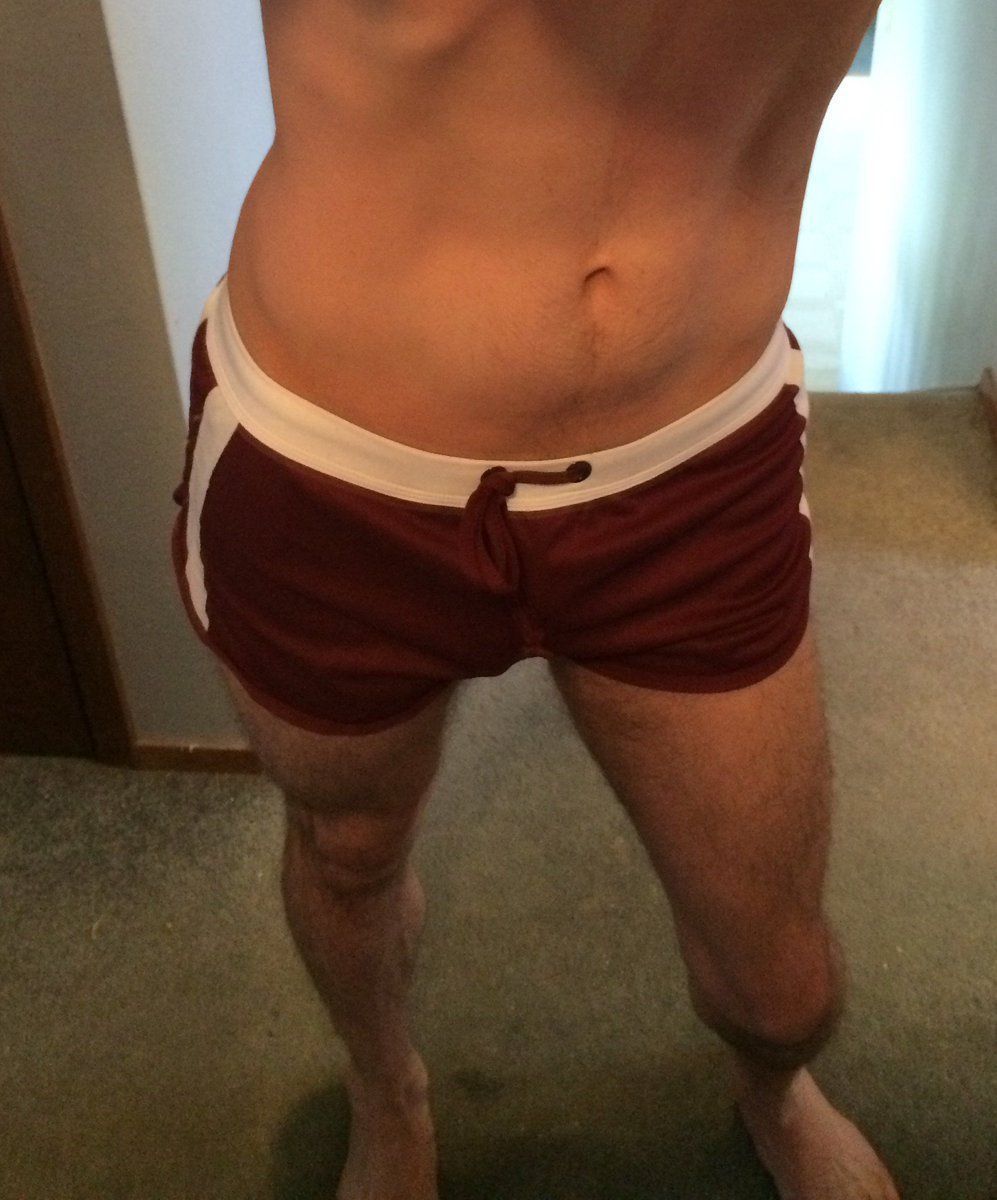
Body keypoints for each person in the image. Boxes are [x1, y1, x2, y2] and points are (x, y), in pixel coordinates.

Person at [170, 2, 901, 1196]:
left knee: (783, 991)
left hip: (692, 461)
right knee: (348, 847)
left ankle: (770, 1083)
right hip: (331, 459)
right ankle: (386, 1088)